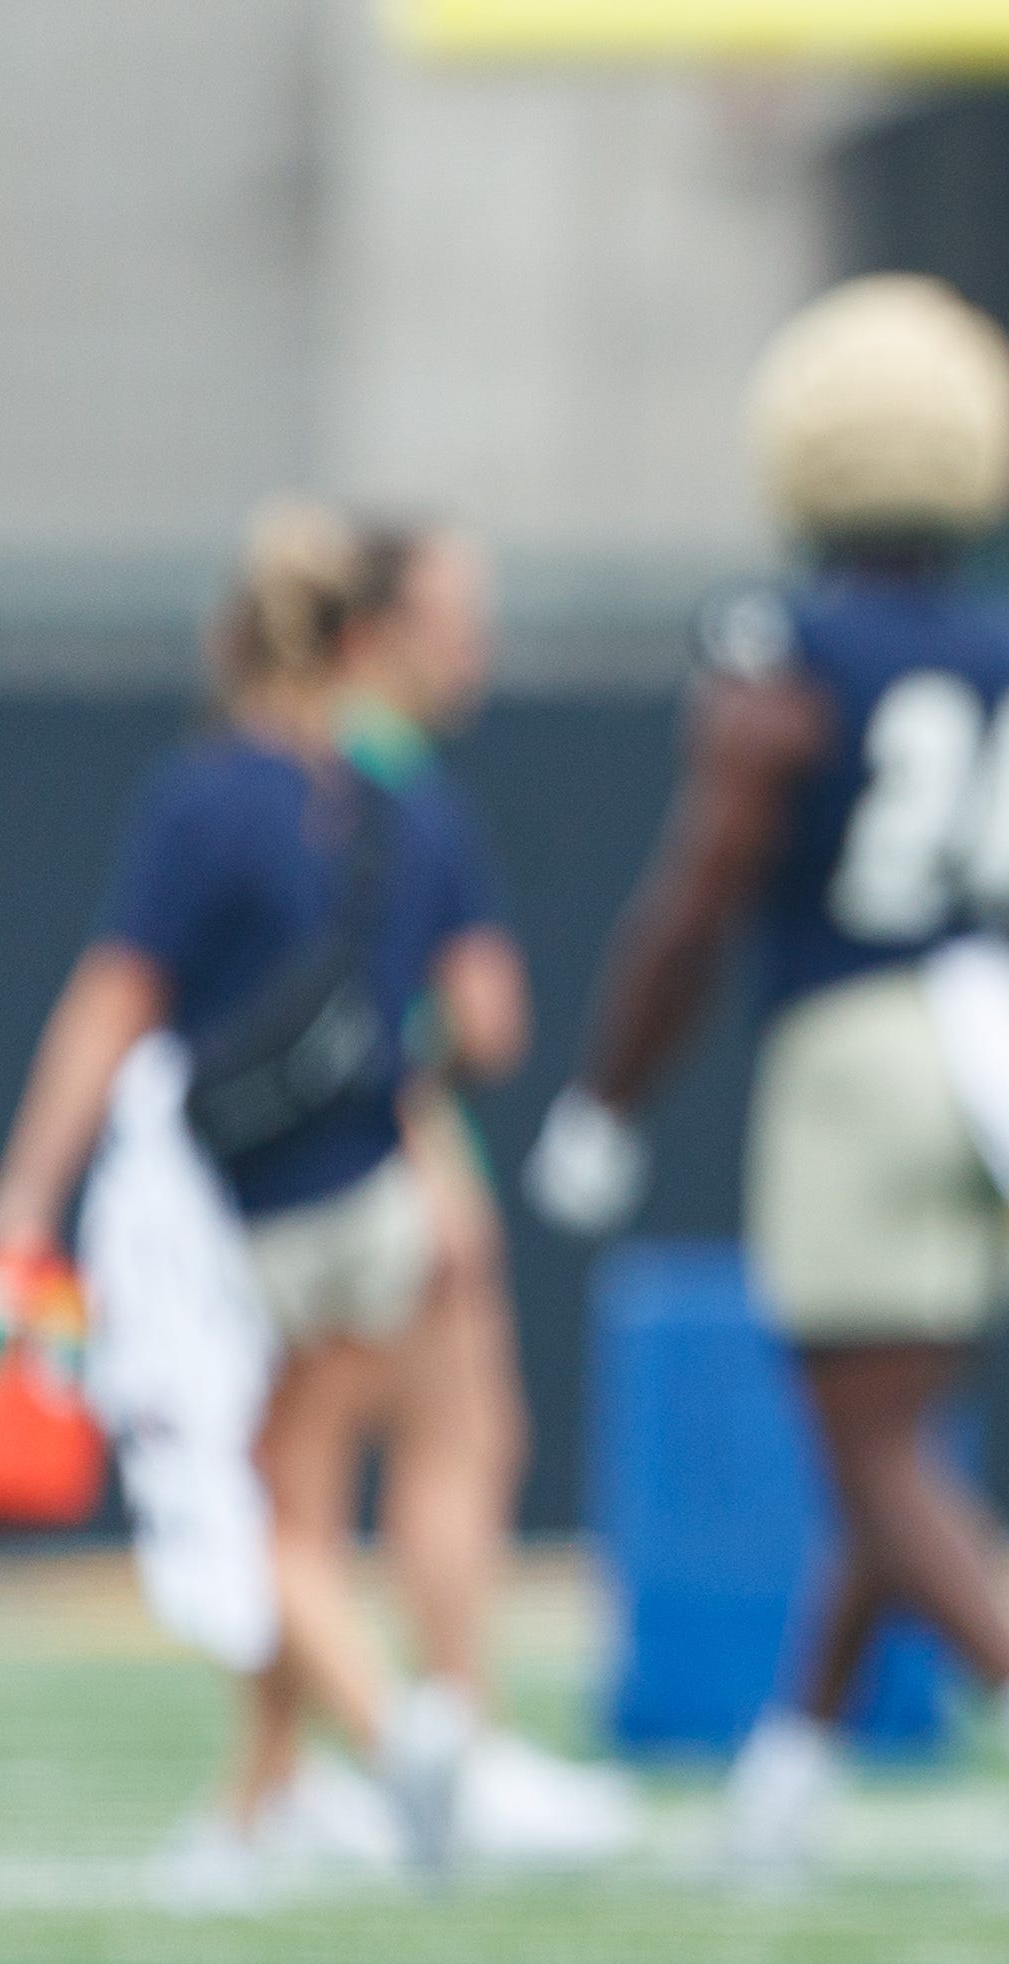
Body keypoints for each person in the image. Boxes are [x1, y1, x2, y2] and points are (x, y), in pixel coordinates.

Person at [519, 274, 1009, 1879]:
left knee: (868, 1449)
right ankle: (787, 1779)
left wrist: (608, 1092)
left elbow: (702, 885)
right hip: (1003, 1045)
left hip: (860, 1046)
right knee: (901, 1439)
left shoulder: (781, 641)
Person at [0, 500, 520, 1900]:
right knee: (305, 1501)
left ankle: (408, 1737)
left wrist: (26, 1191)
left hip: (249, 1217)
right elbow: (484, 1018)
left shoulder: (204, 796)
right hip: (377, 1196)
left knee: (263, 1522)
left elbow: (114, 1001)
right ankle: (259, 1797)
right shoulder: (403, 800)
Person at [337, 521, 641, 1867]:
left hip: (274, 1161)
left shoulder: (270, 770)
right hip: (388, 1146)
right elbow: (486, 1015)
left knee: (294, 1468)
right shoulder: (401, 795)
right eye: (453, 612)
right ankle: (451, 1733)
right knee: (453, 1437)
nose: (477, 640)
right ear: (372, 625)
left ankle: (296, 1770)